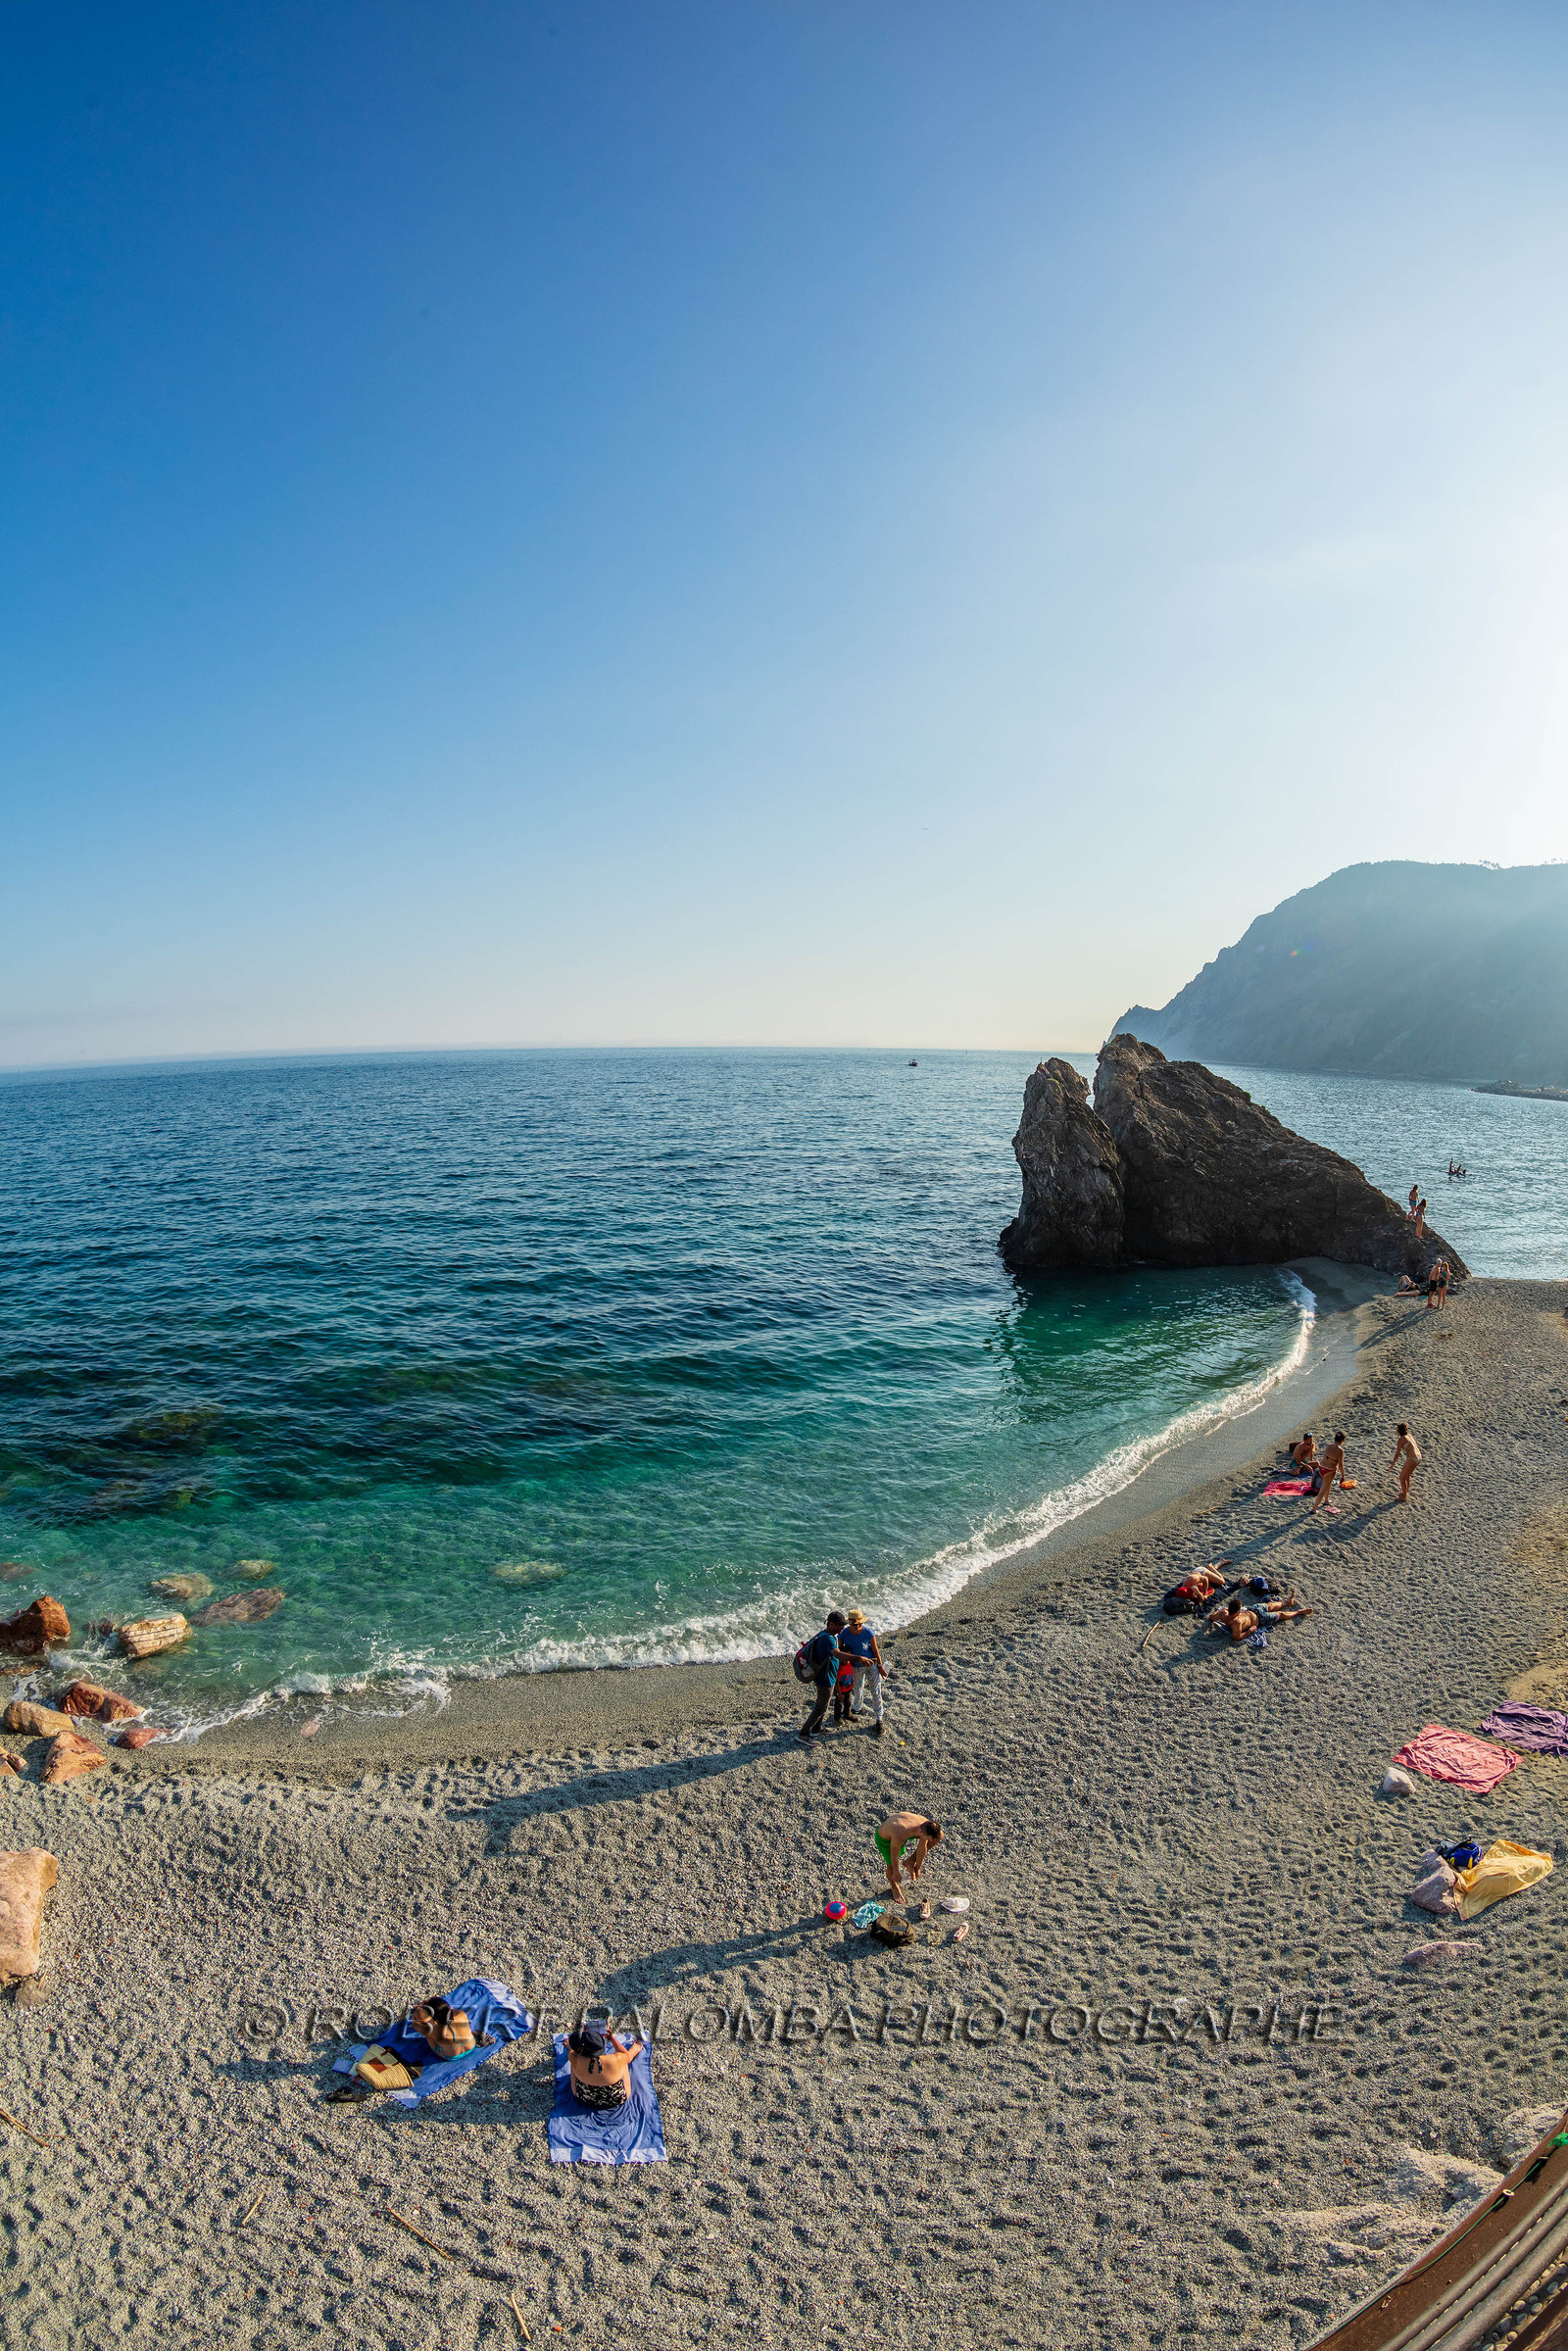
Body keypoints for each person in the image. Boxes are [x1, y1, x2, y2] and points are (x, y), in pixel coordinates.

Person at [566, 2024, 644, 2111]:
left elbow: (573, 2052)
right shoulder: (616, 2059)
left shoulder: (574, 2057)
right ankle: (633, 2051)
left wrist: (572, 2047)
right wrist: (612, 2038)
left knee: (573, 2063)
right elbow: (628, 2057)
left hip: (584, 2098)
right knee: (623, 2062)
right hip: (617, 2099)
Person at [798, 1611, 847, 1740]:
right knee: (820, 1708)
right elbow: (838, 1654)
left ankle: (817, 1728)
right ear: (831, 1624)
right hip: (824, 1679)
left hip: (827, 1676)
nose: (843, 1627)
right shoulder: (827, 1639)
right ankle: (803, 1734)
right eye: (840, 1625)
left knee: (824, 1705)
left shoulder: (827, 1635)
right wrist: (859, 1658)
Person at [839, 1608, 889, 1735]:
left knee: (876, 1691)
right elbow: (839, 1651)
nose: (857, 1626)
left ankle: (879, 1718)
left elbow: (875, 1650)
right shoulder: (844, 1634)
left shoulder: (868, 1632)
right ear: (849, 1624)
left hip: (871, 1664)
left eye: (859, 1623)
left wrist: (880, 1667)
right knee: (857, 1688)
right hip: (855, 1666)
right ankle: (857, 1708)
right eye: (854, 1624)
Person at [875, 1810, 942, 1904]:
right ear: (921, 1833)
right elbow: (893, 1857)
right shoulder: (899, 1833)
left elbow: (922, 1847)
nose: (930, 1840)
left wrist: (918, 1867)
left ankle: (910, 1861)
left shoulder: (925, 1824)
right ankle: (894, 1887)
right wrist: (897, 1873)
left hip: (910, 1830)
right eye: (928, 1838)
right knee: (891, 1867)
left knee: (940, 1835)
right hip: (885, 1839)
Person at [1205, 1591, 1312, 1641]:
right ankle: (1298, 1612)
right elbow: (1236, 1637)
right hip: (1261, 1619)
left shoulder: (1223, 1613)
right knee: (1281, 1614)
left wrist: (1220, 1612)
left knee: (1270, 1605)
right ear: (1237, 1611)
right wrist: (1249, 1631)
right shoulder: (1236, 1623)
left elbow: (1211, 1617)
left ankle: (1287, 1603)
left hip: (1254, 1609)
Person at [1309, 1431, 1348, 1516]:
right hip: (1329, 1470)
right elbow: (1341, 1465)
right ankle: (1314, 1509)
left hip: (1321, 1467)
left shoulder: (1329, 1445)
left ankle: (1326, 1500)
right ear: (1342, 1440)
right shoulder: (1340, 1450)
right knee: (1322, 1490)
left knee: (1328, 1484)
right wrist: (1343, 1475)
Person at [1391, 1423, 1422, 1501]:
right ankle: (1405, 1492)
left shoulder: (1401, 1440)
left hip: (1412, 1458)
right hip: (1418, 1457)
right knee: (1407, 1476)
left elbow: (1397, 1454)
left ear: (1399, 1431)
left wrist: (1393, 1464)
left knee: (1402, 1477)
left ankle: (1404, 1496)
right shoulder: (1409, 1435)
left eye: (1397, 1430)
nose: (1396, 1431)